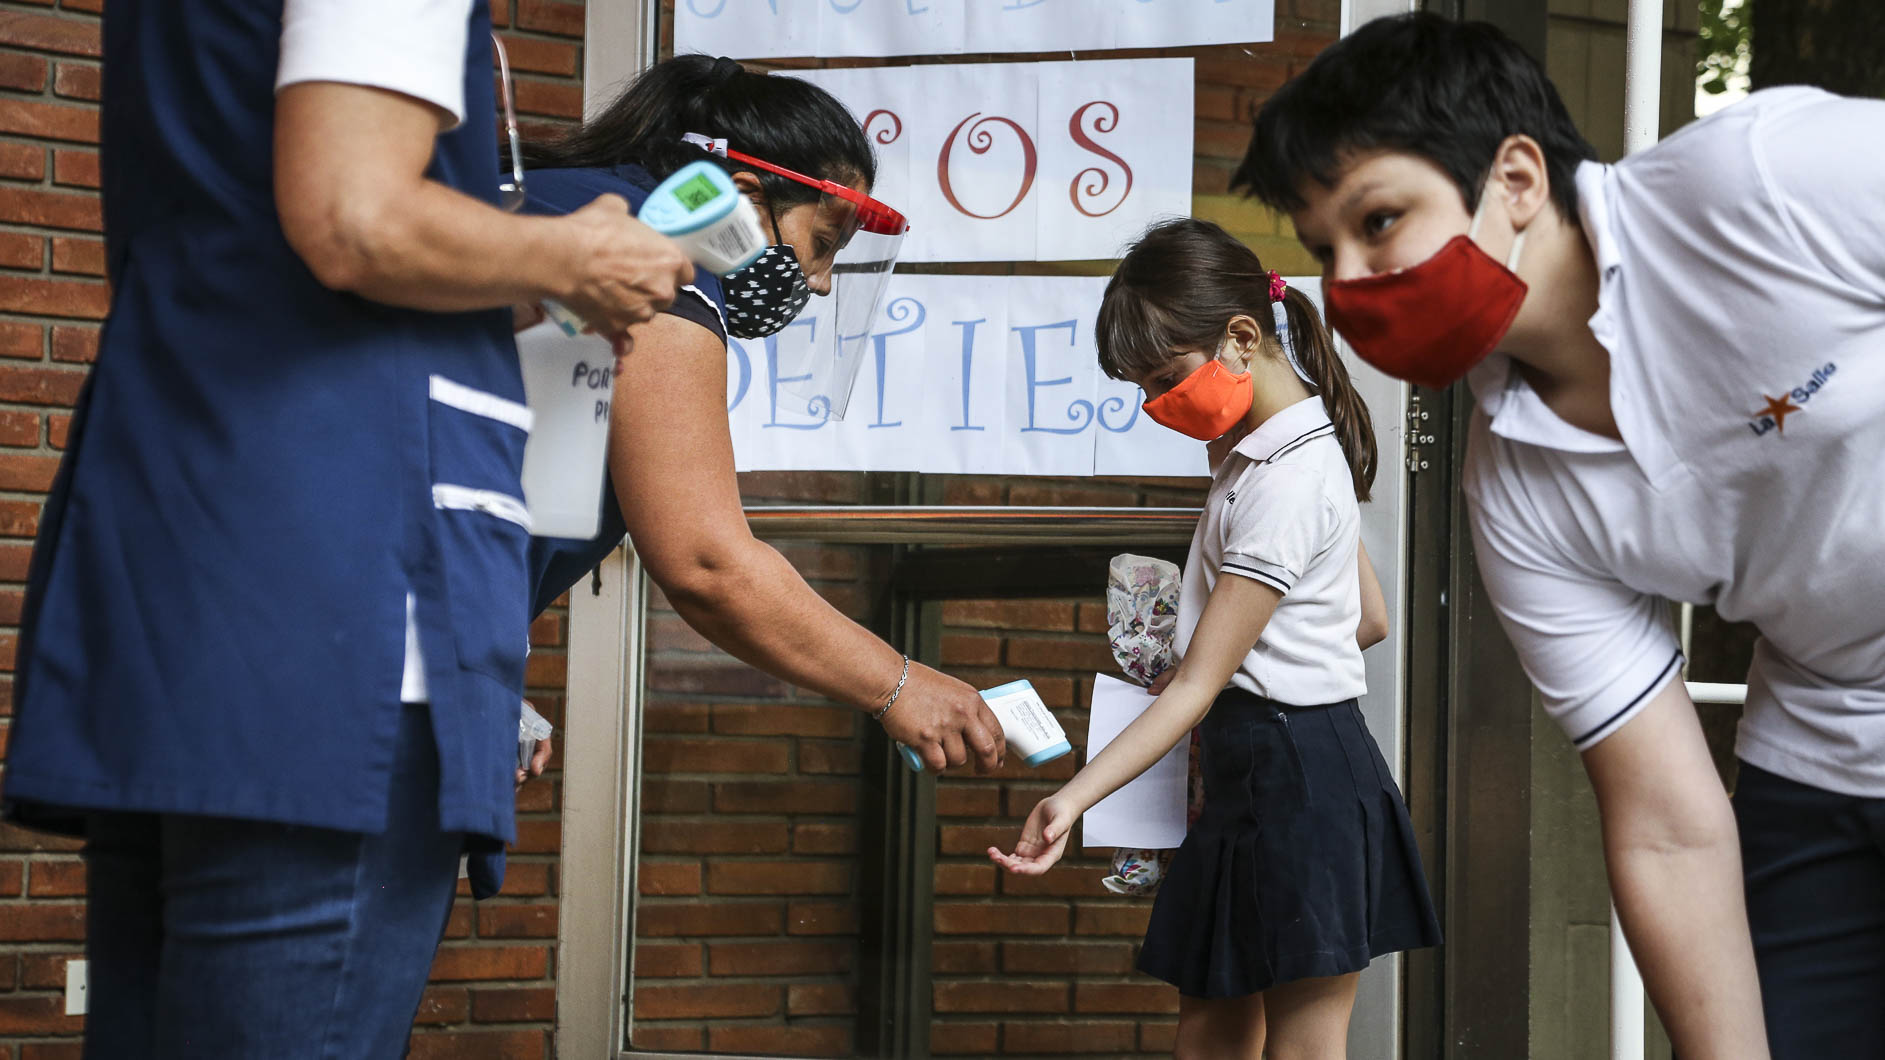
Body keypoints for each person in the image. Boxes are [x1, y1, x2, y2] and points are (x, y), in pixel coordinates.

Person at [0, 1, 692, 1055]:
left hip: (177, 554)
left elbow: (271, 234)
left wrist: (518, 285)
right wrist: (572, 254)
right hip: (343, 589)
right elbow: (354, 218)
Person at [1236, 12, 1885, 1057]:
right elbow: (1667, 827)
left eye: (1380, 219)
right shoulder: (1514, 497)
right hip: (1822, 751)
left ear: (1517, 180)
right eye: (1324, 252)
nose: (1349, 282)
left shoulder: (1757, 183)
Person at [989, 218, 1438, 1059]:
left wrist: (1071, 798)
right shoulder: (1267, 454)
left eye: (1164, 378)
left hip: (1296, 774)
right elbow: (1365, 617)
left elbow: (1200, 685)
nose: (1156, 404)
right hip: (1271, 768)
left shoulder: (1286, 478)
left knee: (1296, 1044)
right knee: (1216, 1034)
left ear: (1241, 337)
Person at [518, 56, 1006, 770]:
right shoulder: (649, 263)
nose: (819, 282)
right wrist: (900, 685)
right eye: (822, 244)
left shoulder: (557, 205)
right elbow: (707, 562)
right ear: (743, 195)